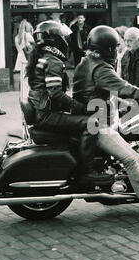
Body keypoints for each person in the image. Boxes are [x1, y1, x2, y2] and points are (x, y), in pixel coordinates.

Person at [73, 25, 139, 224]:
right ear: (107, 48)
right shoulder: (101, 68)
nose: (117, 51)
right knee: (133, 160)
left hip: (93, 119)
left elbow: (95, 93)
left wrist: (122, 105)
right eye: (115, 47)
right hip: (98, 126)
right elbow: (129, 89)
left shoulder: (86, 63)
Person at [26, 20, 109, 184]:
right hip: (47, 115)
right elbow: (55, 93)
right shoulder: (53, 61)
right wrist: (81, 108)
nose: (65, 40)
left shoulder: (40, 57)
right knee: (91, 123)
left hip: (41, 112)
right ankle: (88, 171)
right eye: (63, 37)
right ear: (56, 39)